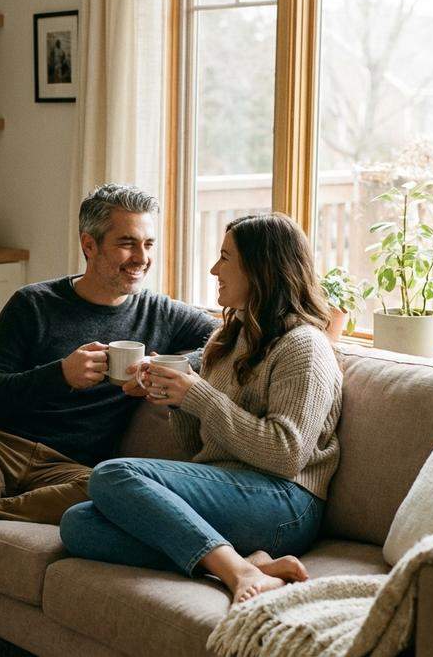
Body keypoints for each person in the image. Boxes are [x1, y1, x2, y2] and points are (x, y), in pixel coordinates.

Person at [0, 183, 218, 653]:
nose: (142, 257)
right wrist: (60, 375)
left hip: (72, 465)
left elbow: (222, 341)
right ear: (89, 245)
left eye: (149, 243)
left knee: (119, 496)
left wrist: (166, 367)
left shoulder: (162, 314)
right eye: (127, 243)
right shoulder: (33, 303)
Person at [59, 213, 342, 604]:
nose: (214, 270)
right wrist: (172, 398)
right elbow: (198, 449)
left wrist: (197, 395)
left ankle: (239, 572)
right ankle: (241, 562)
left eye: (225, 258)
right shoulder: (228, 339)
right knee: (80, 525)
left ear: (260, 268)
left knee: (113, 473)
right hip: (230, 491)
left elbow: (286, 455)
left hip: (287, 504)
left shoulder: (303, 345)